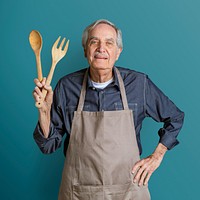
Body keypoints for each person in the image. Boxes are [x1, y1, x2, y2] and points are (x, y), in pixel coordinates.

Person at [33, 19, 184, 199]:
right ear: (85, 50)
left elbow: (175, 117)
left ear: (118, 52)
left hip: (128, 191)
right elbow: (48, 146)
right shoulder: (66, 87)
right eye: (94, 41)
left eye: (109, 43)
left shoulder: (138, 84)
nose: (101, 48)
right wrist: (44, 110)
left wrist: (156, 157)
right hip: (79, 192)